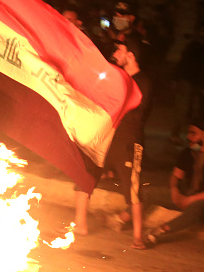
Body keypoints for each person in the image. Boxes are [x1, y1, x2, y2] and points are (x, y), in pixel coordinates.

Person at [74, 36, 151, 250]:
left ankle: (138, 236)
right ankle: (80, 224)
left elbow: (135, 109)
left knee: (132, 188)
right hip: (106, 136)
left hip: (128, 141)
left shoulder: (143, 81)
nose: (115, 54)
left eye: (120, 50)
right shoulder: (116, 75)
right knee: (84, 173)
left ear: (131, 55)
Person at [147, 120, 204, 244]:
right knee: (146, 192)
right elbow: (175, 176)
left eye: (193, 133)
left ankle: (159, 231)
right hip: (184, 194)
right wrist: (174, 190)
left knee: (194, 211)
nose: (188, 137)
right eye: (188, 133)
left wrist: (190, 200)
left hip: (199, 199)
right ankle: (121, 219)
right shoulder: (187, 153)